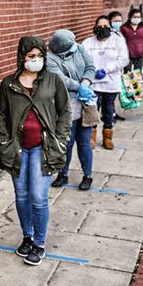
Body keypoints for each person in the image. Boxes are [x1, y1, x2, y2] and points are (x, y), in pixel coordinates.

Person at [0, 37, 70, 265]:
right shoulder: (9, 84)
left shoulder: (53, 81)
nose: (35, 60)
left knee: (38, 197)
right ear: (22, 57)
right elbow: (0, 113)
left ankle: (39, 243)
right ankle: (27, 236)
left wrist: (62, 139)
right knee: (22, 195)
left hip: (42, 148)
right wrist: (4, 140)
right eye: (31, 56)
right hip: (18, 149)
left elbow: (64, 111)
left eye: (39, 56)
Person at [46, 30, 97, 190]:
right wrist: (79, 86)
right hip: (66, 105)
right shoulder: (50, 59)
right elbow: (60, 79)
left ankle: (88, 175)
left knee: (84, 142)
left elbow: (90, 67)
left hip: (86, 102)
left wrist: (86, 83)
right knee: (67, 142)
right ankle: (63, 173)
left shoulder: (79, 49)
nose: (75, 45)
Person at [82, 16, 130, 150]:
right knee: (93, 110)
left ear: (110, 27)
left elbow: (124, 60)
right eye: (99, 26)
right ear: (94, 27)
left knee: (108, 110)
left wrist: (107, 69)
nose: (102, 29)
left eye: (105, 26)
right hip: (93, 83)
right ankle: (91, 136)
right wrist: (92, 71)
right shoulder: (88, 42)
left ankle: (107, 137)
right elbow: (82, 59)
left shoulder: (117, 41)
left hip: (111, 82)